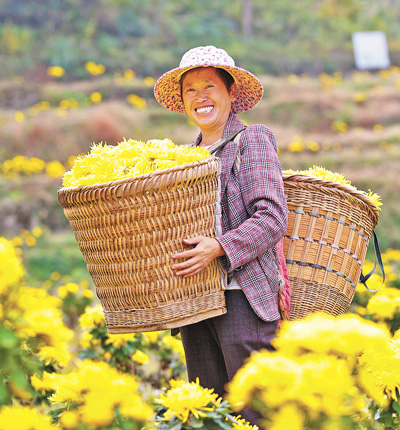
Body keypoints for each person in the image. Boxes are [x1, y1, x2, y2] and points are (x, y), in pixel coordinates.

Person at [154, 45, 289, 426]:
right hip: (196, 302)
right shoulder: (182, 160)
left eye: (209, 86)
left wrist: (219, 246)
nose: (200, 97)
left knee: (254, 411)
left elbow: (272, 216)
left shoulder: (253, 140)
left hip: (242, 297)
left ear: (231, 93)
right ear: (183, 103)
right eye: (190, 90)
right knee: (207, 410)